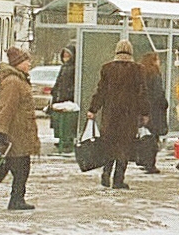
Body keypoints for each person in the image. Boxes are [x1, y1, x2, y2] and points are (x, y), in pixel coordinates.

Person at [0, 46, 40, 211]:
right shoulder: (14, 82)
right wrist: (2, 132)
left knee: (3, 168)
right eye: (26, 60)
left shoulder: (18, 80)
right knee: (22, 168)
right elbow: (6, 109)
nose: (29, 63)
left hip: (18, 132)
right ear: (18, 63)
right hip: (15, 135)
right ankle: (16, 200)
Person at [87, 39, 148, 190]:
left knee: (110, 145)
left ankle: (106, 174)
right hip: (129, 116)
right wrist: (145, 113)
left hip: (110, 115)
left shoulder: (107, 68)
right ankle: (118, 179)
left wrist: (93, 109)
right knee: (124, 147)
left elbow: (100, 91)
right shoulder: (138, 70)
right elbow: (142, 94)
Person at [137, 51, 169, 173]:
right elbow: (158, 93)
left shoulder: (141, 74)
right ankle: (150, 164)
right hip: (155, 110)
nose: (159, 62)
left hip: (144, 108)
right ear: (153, 61)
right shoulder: (155, 74)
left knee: (146, 135)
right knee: (153, 138)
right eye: (157, 59)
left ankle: (144, 160)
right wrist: (164, 103)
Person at [49, 44, 78, 152]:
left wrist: (70, 92)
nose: (66, 56)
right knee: (59, 120)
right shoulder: (64, 67)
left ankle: (67, 139)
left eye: (68, 54)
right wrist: (54, 92)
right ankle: (62, 138)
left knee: (67, 120)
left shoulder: (73, 67)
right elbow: (59, 81)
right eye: (64, 54)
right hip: (60, 97)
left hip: (67, 97)